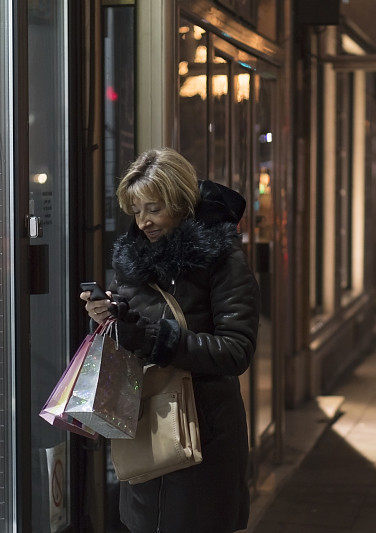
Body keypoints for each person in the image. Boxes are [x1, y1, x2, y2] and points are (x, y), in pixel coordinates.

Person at [79, 148, 260, 533]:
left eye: (154, 208)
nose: (143, 221)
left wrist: (156, 338)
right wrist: (111, 318)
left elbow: (236, 351)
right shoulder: (133, 261)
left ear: (179, 202)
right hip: (146, 432)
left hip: (203, 438)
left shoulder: (222, 258)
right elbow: (133, 335)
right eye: (136, 210)